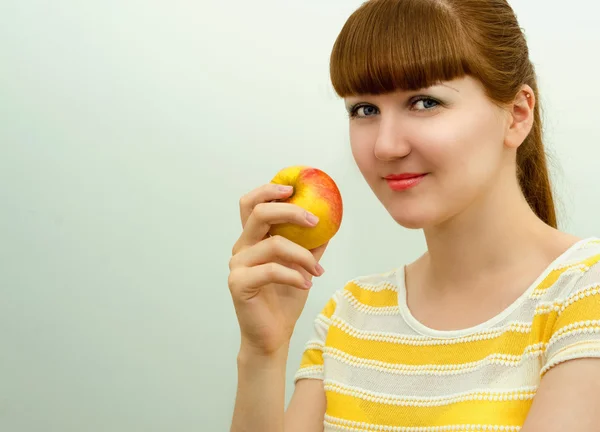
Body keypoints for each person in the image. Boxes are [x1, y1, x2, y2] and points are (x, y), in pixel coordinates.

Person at [227, 0, 600, 430]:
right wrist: (263, 353)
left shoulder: (582, 295)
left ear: (517, 115)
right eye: (364, 110)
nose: (386, 146)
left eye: (425, 102)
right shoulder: (349, 316)